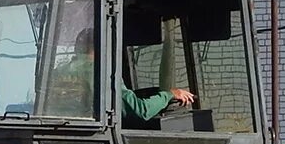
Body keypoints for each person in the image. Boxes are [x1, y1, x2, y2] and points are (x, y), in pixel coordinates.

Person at [57, 28, 195, 122]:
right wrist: (170, 94)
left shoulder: (59, 72)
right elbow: (141, 111)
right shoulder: (101, 73)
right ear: (102, 48)